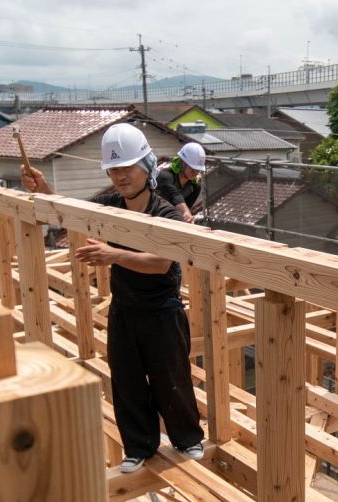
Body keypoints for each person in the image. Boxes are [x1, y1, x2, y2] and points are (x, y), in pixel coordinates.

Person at [22, 123, 205, 473]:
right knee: (126, 380)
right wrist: (43, 188)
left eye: (127, 168)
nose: (120, 176)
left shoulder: (164, 212)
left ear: (147, 167)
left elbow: (162, 263)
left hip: (162, 311)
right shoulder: (109, 205)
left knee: (172, 378)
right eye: (114, 169)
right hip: (126, 309)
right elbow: (72, 213)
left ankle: (186, 438)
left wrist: (114, 256)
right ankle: (139, 447)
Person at [157, 141, 206, 223]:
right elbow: (174, 196)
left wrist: (186, 216)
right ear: (182, 162)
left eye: (198, 169)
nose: (195, 172)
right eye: (192, 168)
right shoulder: (164, 175)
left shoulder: (195, 187)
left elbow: (186, 209)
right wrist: (186, 212)